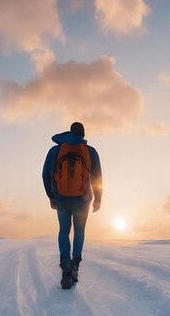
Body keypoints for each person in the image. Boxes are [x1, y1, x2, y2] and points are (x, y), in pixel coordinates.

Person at [42, 122, 102, 289]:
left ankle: (65, 264)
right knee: (79, 231)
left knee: (63, 230)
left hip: (61, 198)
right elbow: (97, 176)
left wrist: (51, 196)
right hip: (83, 198)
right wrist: (98, 198)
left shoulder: (55, 150)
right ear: (82, 134)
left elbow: (45, 174)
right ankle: (75, 264)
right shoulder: (89, 151)